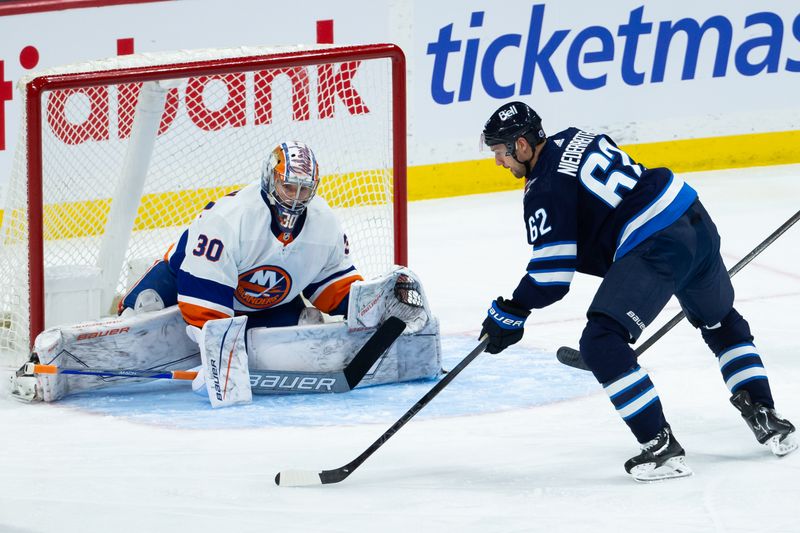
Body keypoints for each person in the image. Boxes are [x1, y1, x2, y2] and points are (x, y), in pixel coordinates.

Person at [477, 101, 797, 482]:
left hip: (657, 243)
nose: (498, 161)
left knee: (601, 342)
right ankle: (765, 414)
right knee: (721, 321)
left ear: (523, 146)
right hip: (693, 217)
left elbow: (551, 277)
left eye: (500, 151)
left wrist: (511, 311)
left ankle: (660, 447)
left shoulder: (543, 188)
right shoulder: (576, 137)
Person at [119, 140, 361, 329]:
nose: (295, 197)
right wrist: (219, 342)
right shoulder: (232, 218)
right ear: (270, 178)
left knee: (306, 328)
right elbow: (203, 294)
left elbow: (334, 285)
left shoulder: (325, 223)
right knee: (145, 308)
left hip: (268, 305)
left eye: (304, 189)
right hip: (184, 280)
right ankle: (131, 304)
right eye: (288, 186)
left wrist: (368, 308)